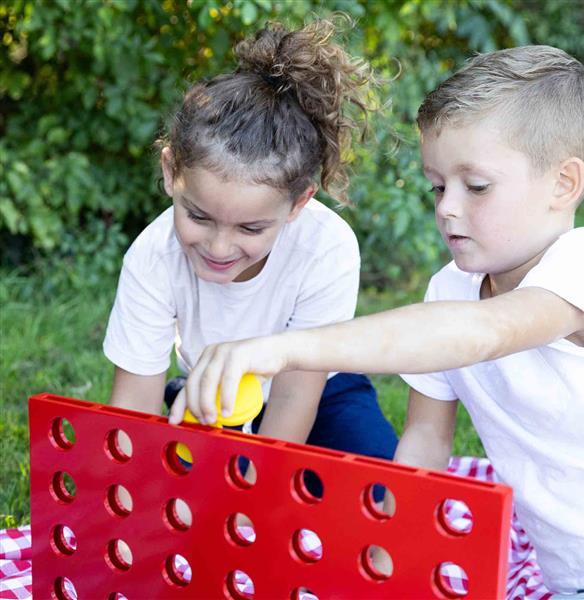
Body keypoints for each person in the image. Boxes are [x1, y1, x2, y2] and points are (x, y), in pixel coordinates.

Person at [179, 45, 584, 596]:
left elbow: (482, 333)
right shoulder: (448, 290)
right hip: (574, 577)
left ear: (563, 184)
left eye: (475, 187)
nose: (447, 207)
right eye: (437, 185)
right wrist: (381, 563)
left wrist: (282, 349)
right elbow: (425, 443)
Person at [103, 18, 398, 492]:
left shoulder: (328, 246)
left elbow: (295, 396)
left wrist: (251, 494)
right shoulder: (152, 256)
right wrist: (128, 497)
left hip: (319, 391)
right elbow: (132, 407)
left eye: (251, 227)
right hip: (212, 390)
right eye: (198, 217)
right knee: (177, 487)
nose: (219, 247)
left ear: (300, 202)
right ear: (170, 172)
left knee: (377, 489)